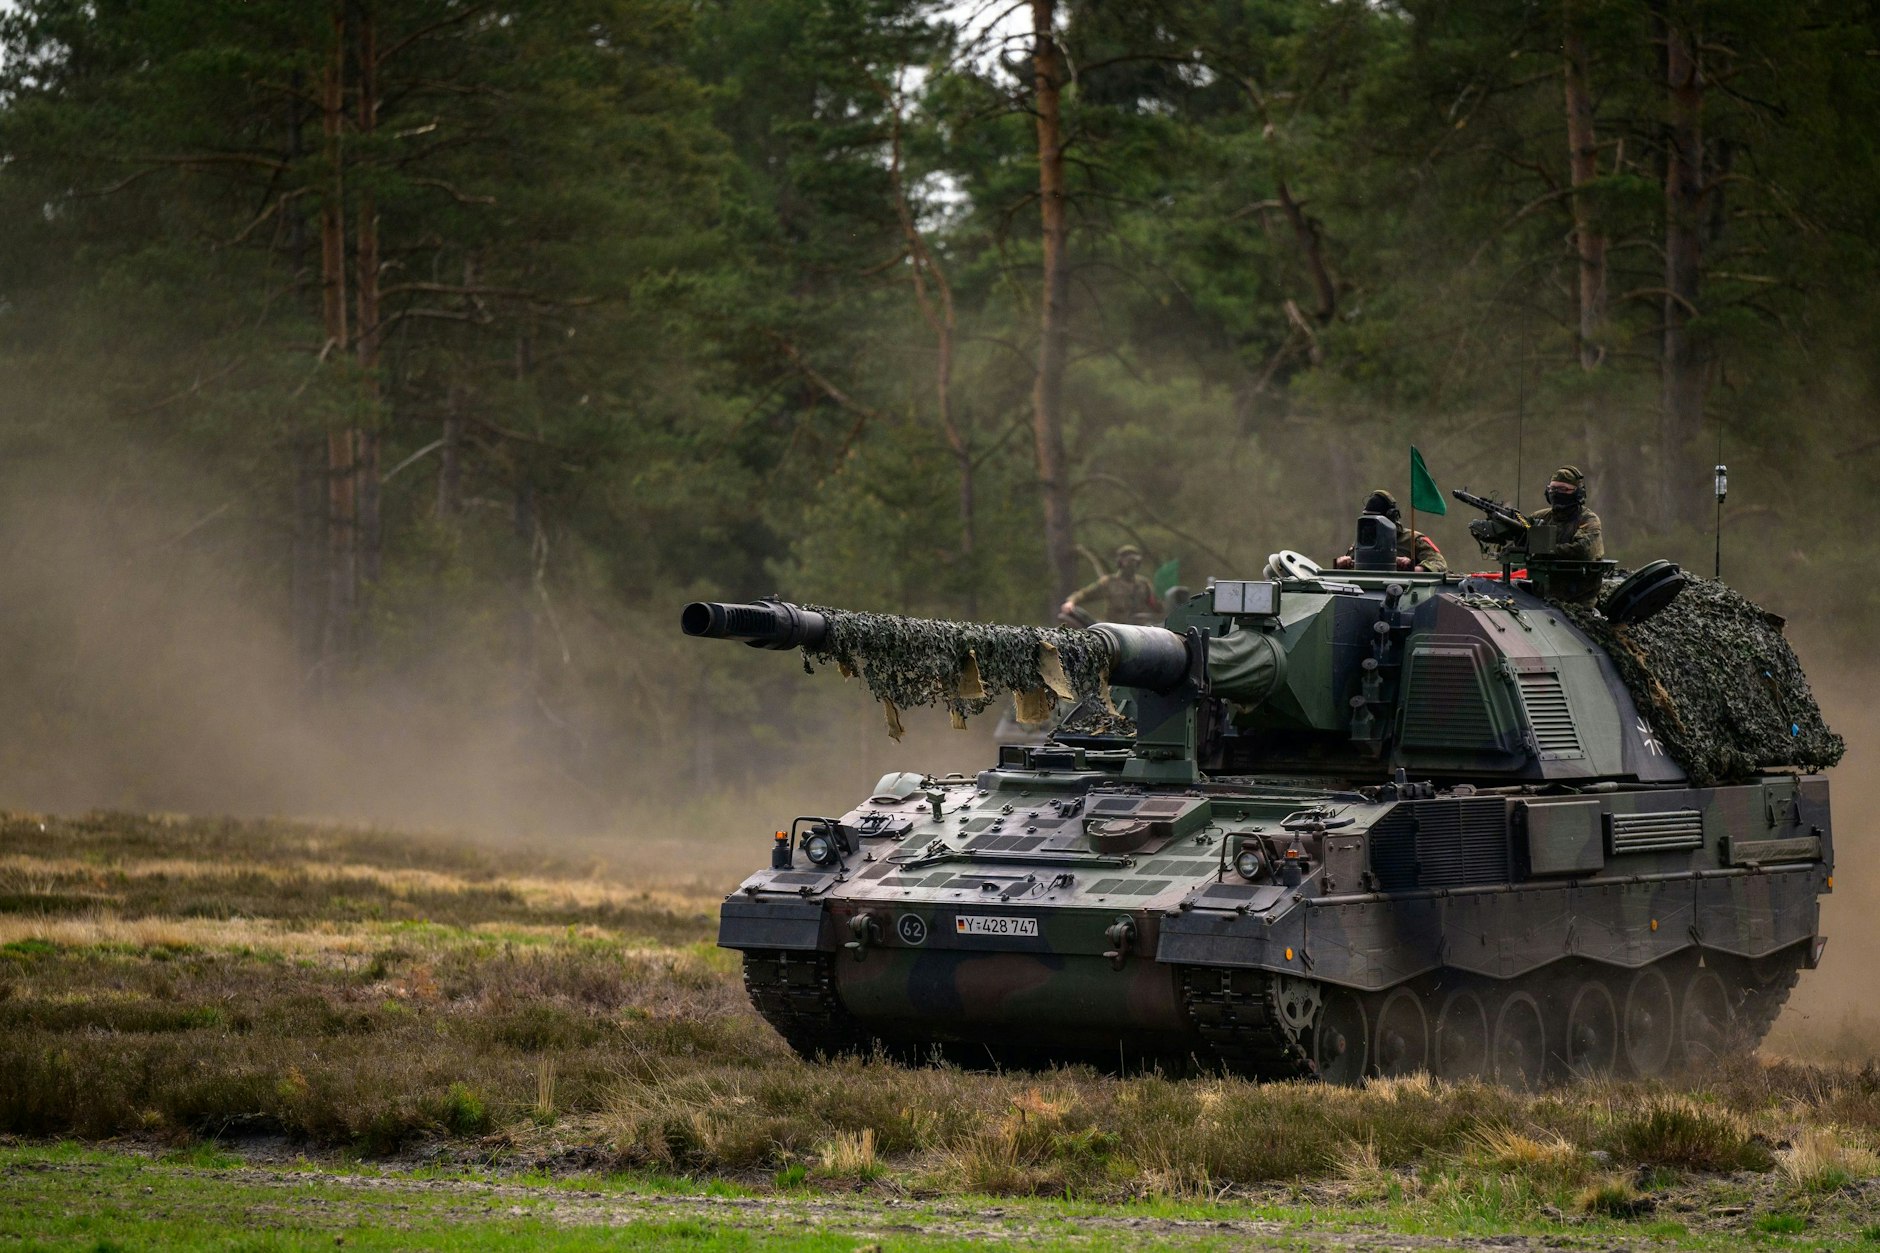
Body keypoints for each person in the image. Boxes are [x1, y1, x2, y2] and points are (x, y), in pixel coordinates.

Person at [1333, 490, 1448, 573]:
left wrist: (1413, 568)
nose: (1371, 525)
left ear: (1390, 517)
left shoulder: (1413, 540)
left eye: (1376, 520)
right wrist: (1342, 563)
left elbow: (1440, 564)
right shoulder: (1364, 542)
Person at [1535, 465, 1604, 601]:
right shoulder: (1541, 517)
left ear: (1578, 493)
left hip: (1579, 600)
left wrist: (1544, 551)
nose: (1556, 493)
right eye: (1552, 489)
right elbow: (1518, 539)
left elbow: (1582, 551)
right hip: (1541, 599)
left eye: (1563, 489)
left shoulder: (1588, 519)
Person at [1060, 545, 1162, 623]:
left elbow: (1156, 605)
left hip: (1140, 632)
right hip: (1115, 633)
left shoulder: (1143, 584)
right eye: (1129, 561)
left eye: (1135, 561)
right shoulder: (1109, 583)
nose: (1132, 564)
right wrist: (1071, 602)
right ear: (1120, 562)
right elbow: (1085, 594)